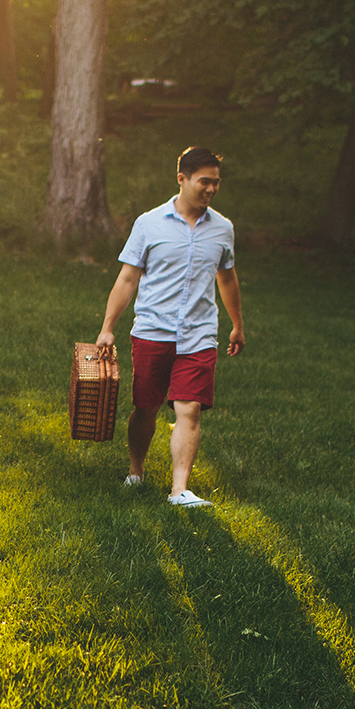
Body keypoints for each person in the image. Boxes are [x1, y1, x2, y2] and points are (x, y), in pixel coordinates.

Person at [95, 146, 244, 507]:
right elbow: (128, 278)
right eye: (204, 182)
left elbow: (227, 278)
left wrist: (237, 324)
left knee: (189, 409)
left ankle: (180, 490)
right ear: (182, 179)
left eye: (216, 183)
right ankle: (136, 470)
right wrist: (107, 327)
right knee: (146, 406)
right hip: (152, 330)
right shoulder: (149, 224)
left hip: (199, 334)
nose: (211, 189)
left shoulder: (223, 229)